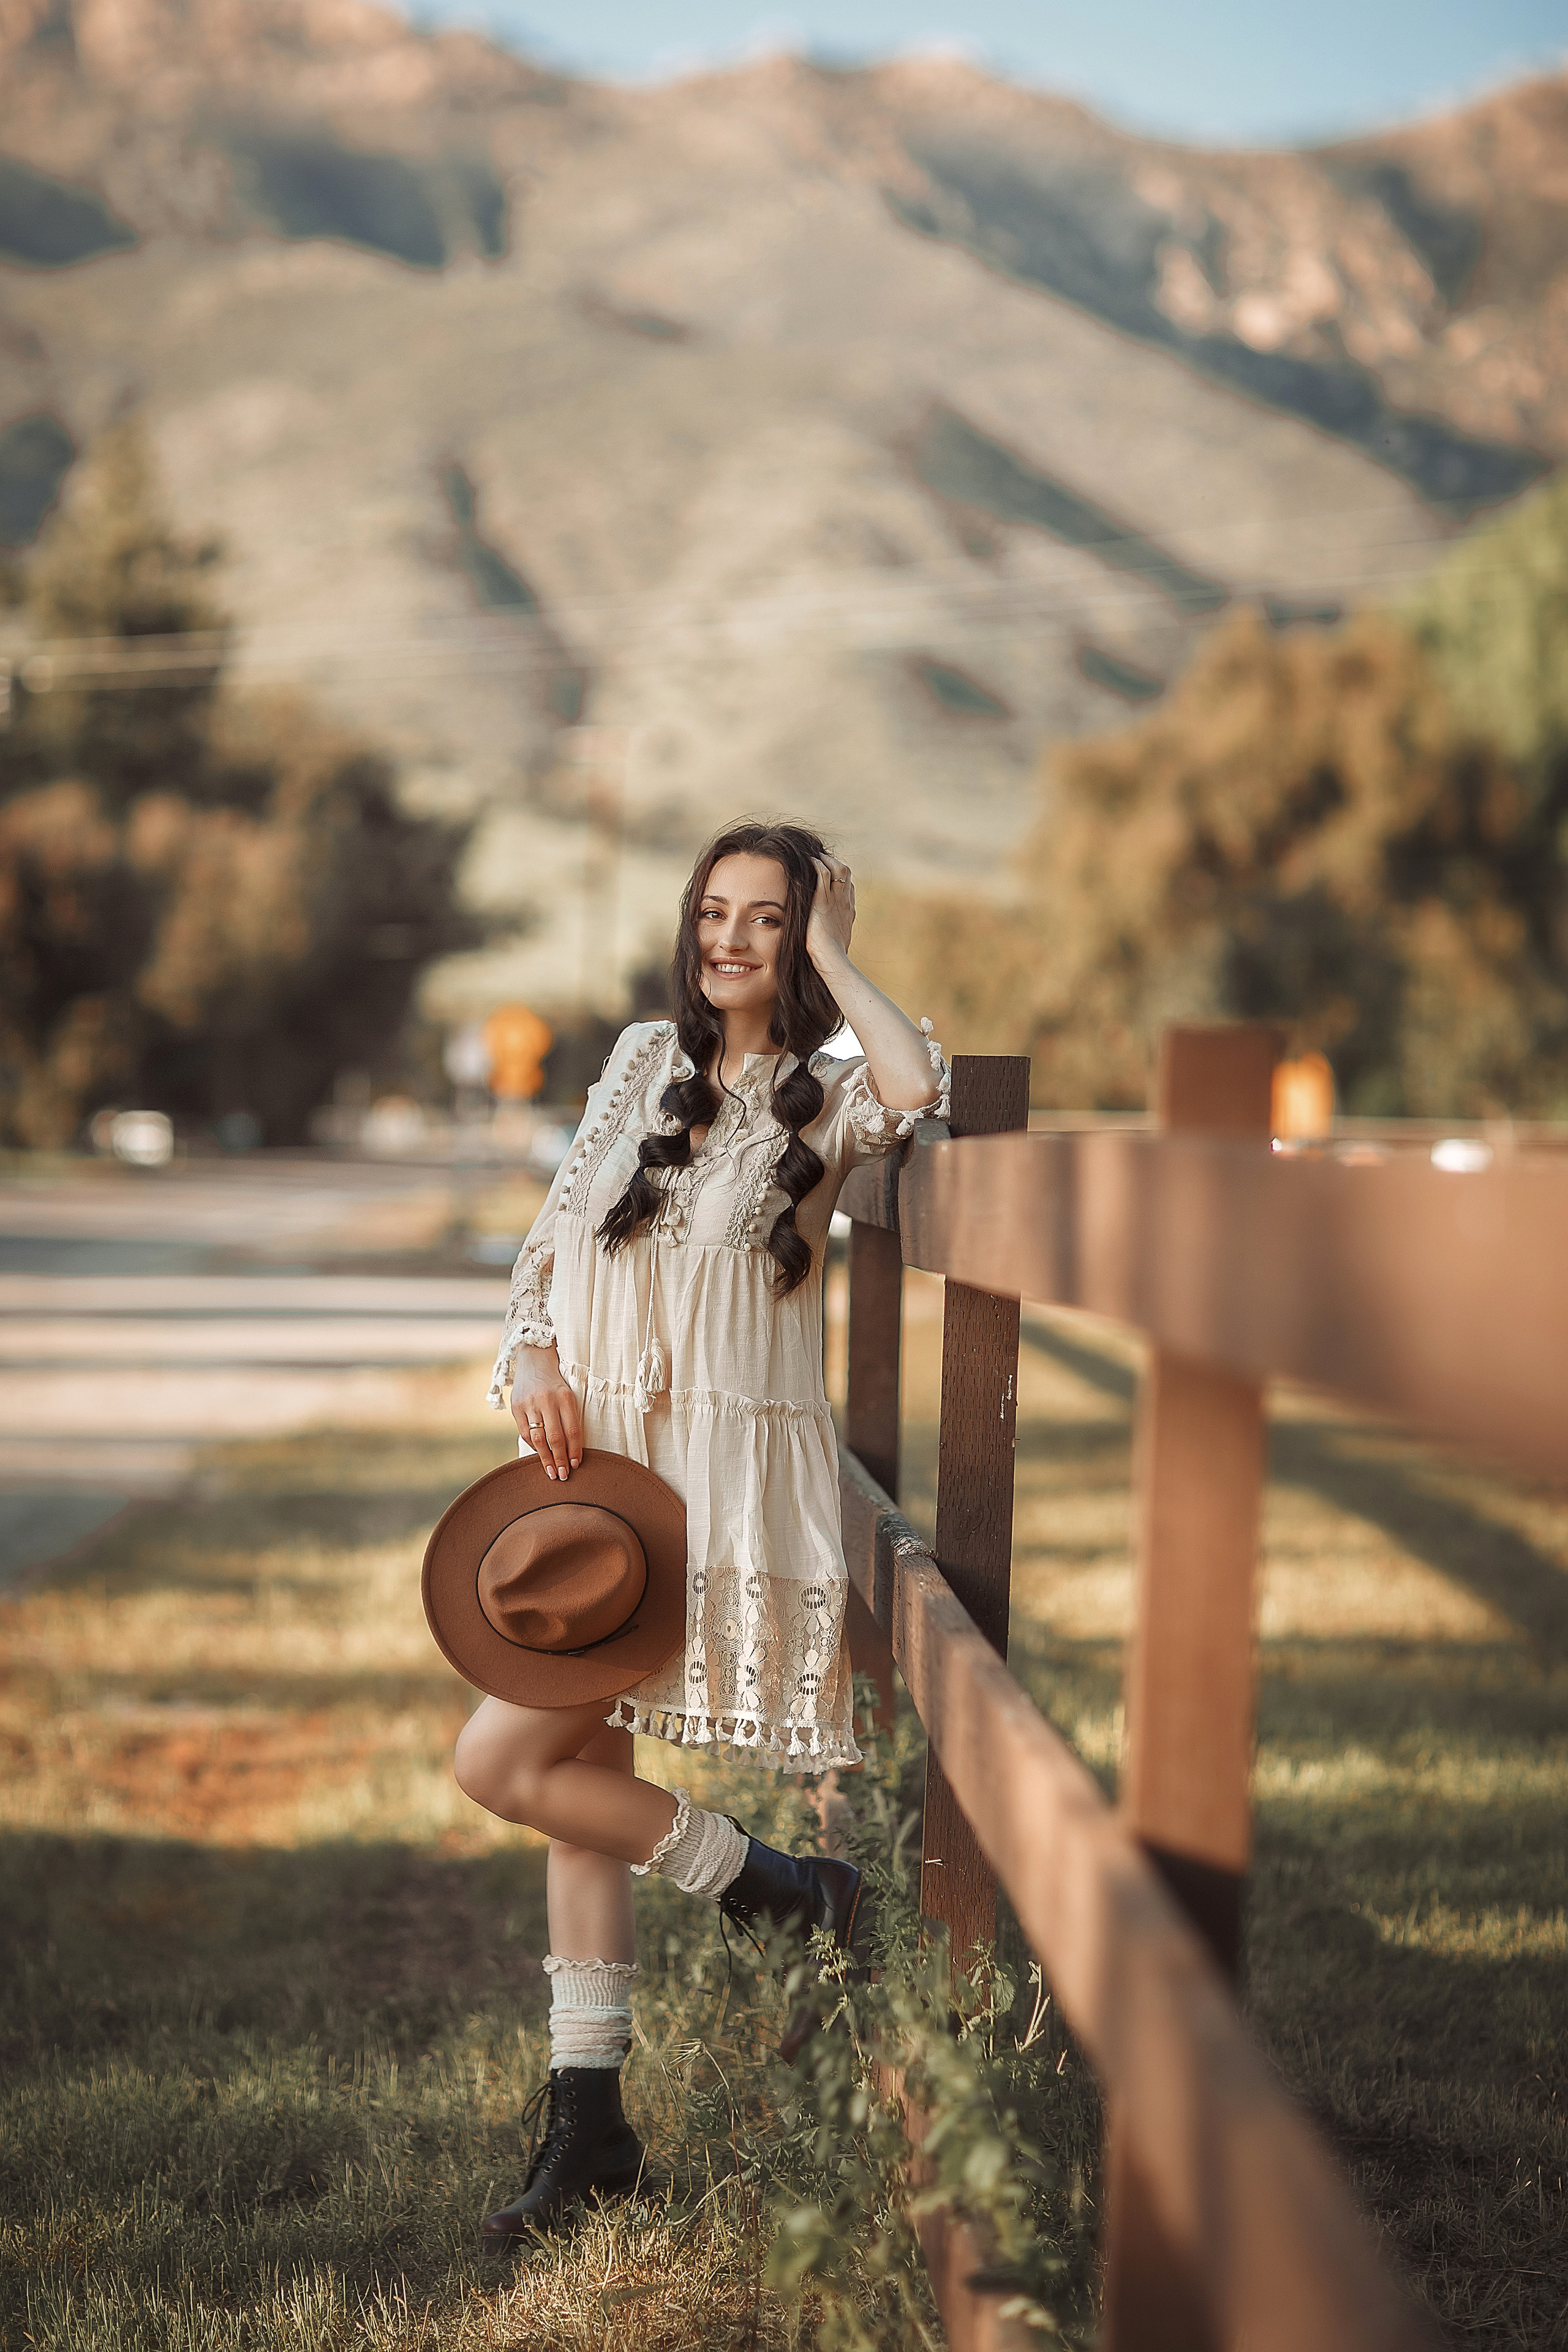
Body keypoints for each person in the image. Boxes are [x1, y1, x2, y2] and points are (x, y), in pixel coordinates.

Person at [453, 819, 949, 2244]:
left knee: (502, 1759)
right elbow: (545, 1244)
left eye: (769, 920)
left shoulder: (835, 1093)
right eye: (712, 912)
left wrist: (847, 955)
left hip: (715, 1492)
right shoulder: (635, 1063)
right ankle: (594, 2120)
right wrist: (533, 1350)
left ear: (805, 940)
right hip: (597, 1478)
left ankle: (785, 1893)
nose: (729, 939)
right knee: (559, 1774)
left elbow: (916, 1085)